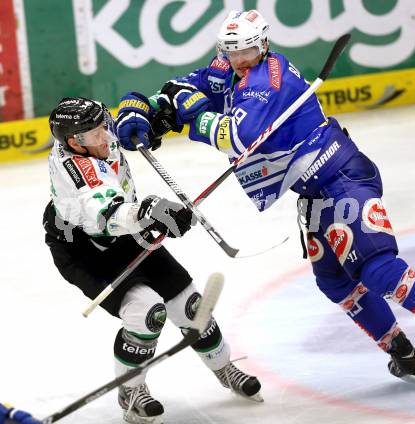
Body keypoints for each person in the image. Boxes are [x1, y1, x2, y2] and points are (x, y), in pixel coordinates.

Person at [116, 10, 415, 387]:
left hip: (342, 178)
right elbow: (190, 87)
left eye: (247, 50)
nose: (238, 59)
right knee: (335, 282)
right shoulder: (231, 64)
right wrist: (148, 108)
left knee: (379, 271)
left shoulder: (267, 80)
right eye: (230, 50)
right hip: (316, 193)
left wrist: (189, 116)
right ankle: (402, 353)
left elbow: (237, 136)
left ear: (264, 44)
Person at [43, 97, 262, 424]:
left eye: (105, 125)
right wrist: (152, 213)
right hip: (85, 247)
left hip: (124, 231)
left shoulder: (94, 135)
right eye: (97, 132)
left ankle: (223, 366)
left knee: (189, 305)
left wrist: (147, 117)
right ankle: (130, 391)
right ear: (75, 142)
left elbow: (136, 112)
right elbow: (106, 213)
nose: (106, 135)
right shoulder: (77, 173)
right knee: (146, 313)